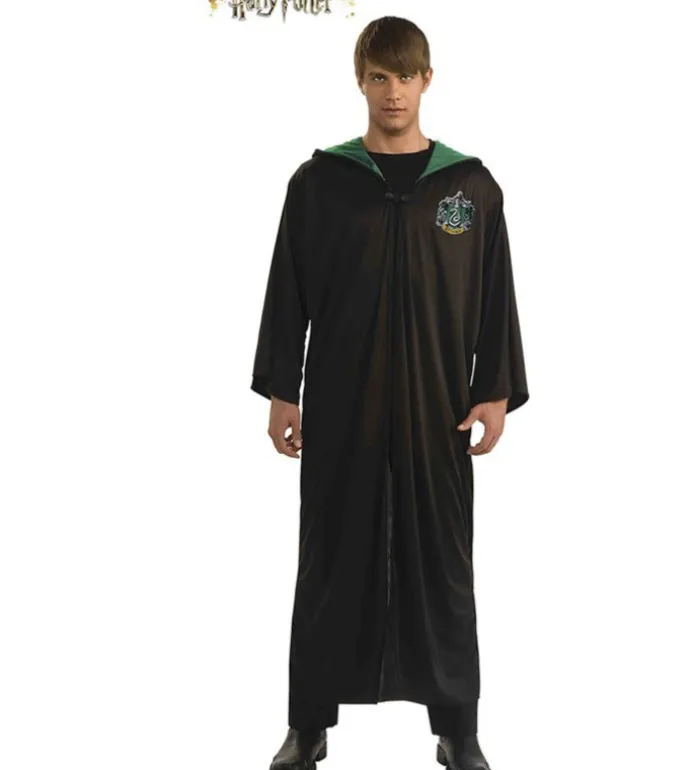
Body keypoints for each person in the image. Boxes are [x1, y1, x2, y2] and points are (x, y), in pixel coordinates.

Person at [251, 15, 529, 770]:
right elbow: (288, 291)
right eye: (380, 76)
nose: (394, 92)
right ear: (361, 82)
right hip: (343, 409)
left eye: (406, 76)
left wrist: (494, 388)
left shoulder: (469, 188)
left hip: (438, 412)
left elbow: (495, 295)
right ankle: (308, 725)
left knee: (444, 568)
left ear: (427, 80)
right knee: (328, 563)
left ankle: (458, 729)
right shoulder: (321, 184)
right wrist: (282, 390)